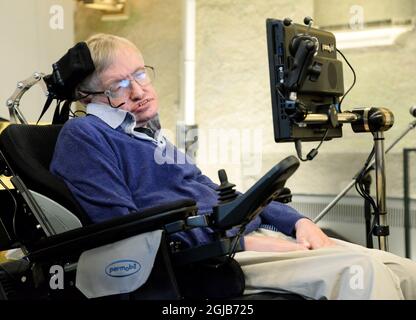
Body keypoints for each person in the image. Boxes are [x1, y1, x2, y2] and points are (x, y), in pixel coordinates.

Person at [50, 34, 416, 300]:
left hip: (237, 242)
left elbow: (220, 196)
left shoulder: (146, 136)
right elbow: (127, 235)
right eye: (119, 85)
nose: (139, 91)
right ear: (89, 97)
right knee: (362, 272)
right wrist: (245, 242)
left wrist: (297, 222)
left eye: (140, 75)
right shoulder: (85, 136)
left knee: (404, 270)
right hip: (206, 260)